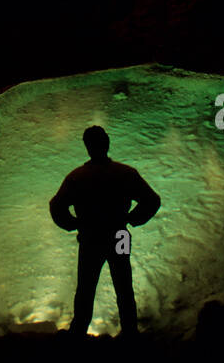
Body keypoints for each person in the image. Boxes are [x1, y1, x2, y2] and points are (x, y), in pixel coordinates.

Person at [49, 126, 160, 338]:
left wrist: (73, 224)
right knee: (124, 287)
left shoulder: (77, 177)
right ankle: (130, 333)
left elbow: (56, 206)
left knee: (85, 289)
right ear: (107, 143)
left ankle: (78, 334)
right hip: (120, 234)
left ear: (87, 147)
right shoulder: (125, 174)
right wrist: (131, 219)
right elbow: (152, 200)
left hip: (90, 237)